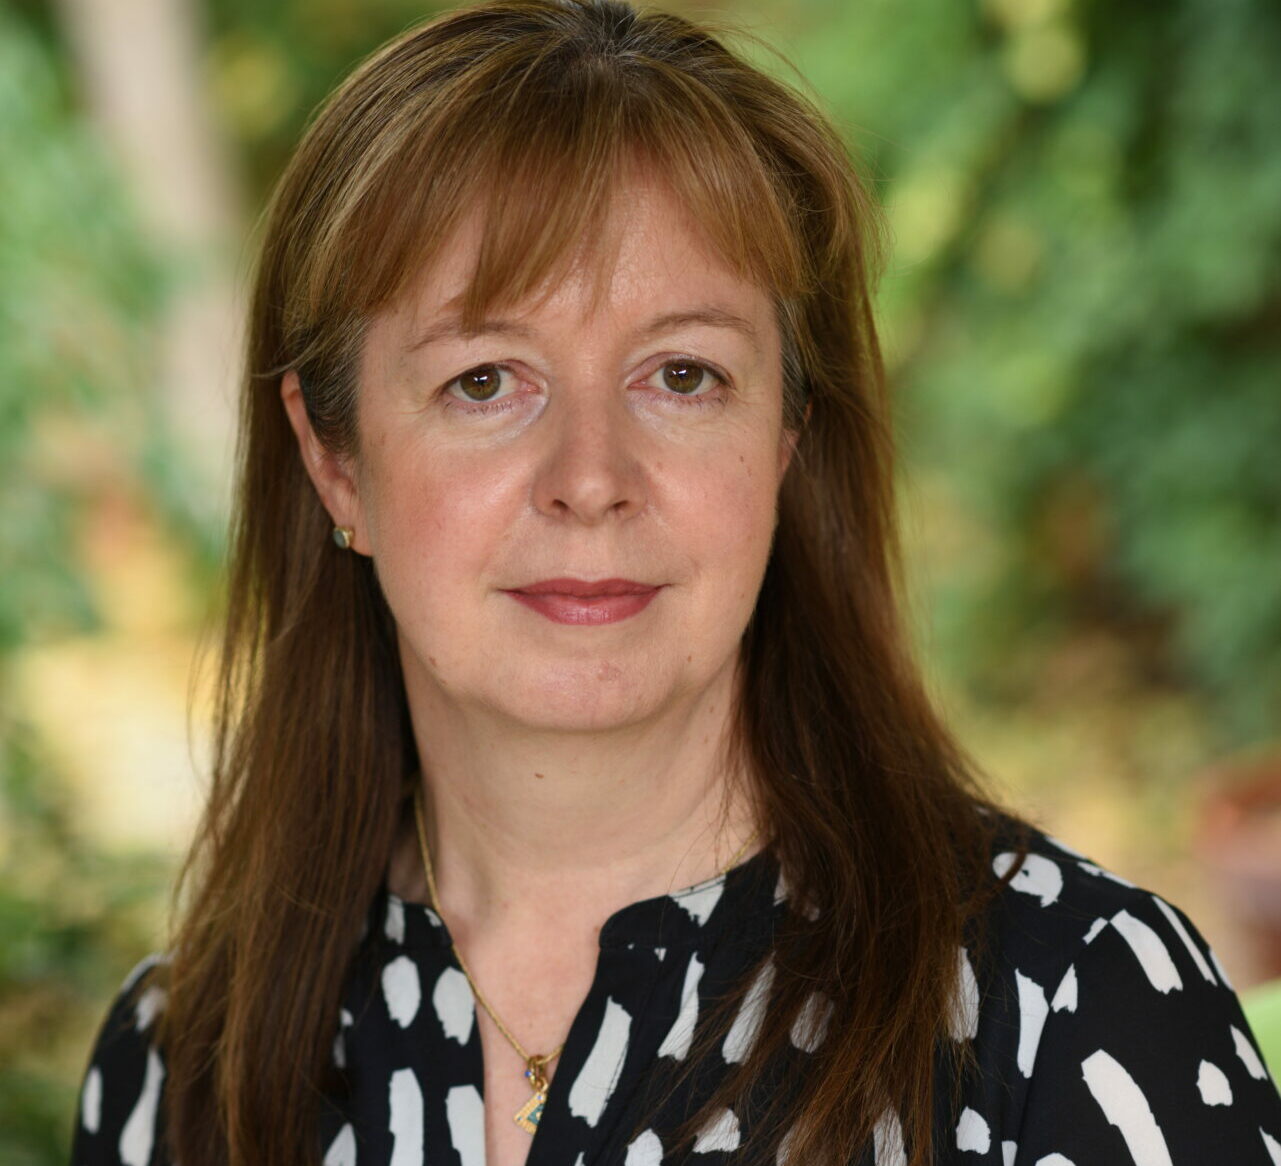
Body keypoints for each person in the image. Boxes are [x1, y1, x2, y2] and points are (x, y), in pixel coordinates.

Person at [69, 1, 1281, 1164]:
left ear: (788, 436)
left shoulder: (1076, 1011)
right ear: (335, 461)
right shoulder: (180, 1072)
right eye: (487, 380)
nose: (590, 479)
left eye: (684, 375)